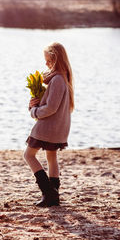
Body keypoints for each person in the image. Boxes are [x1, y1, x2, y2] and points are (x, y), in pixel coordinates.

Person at [24, 42, 74, 207]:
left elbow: (51, 108)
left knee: (29, 155)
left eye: (48, 60)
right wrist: (35, 102)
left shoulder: (58, 79)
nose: (45, 63)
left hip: (48, 127)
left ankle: (49, 192)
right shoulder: (61, 78)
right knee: (51, 157)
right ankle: (54, 196)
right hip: (58, 127)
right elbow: (51, 103)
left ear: (55, 60)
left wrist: (34, 111)